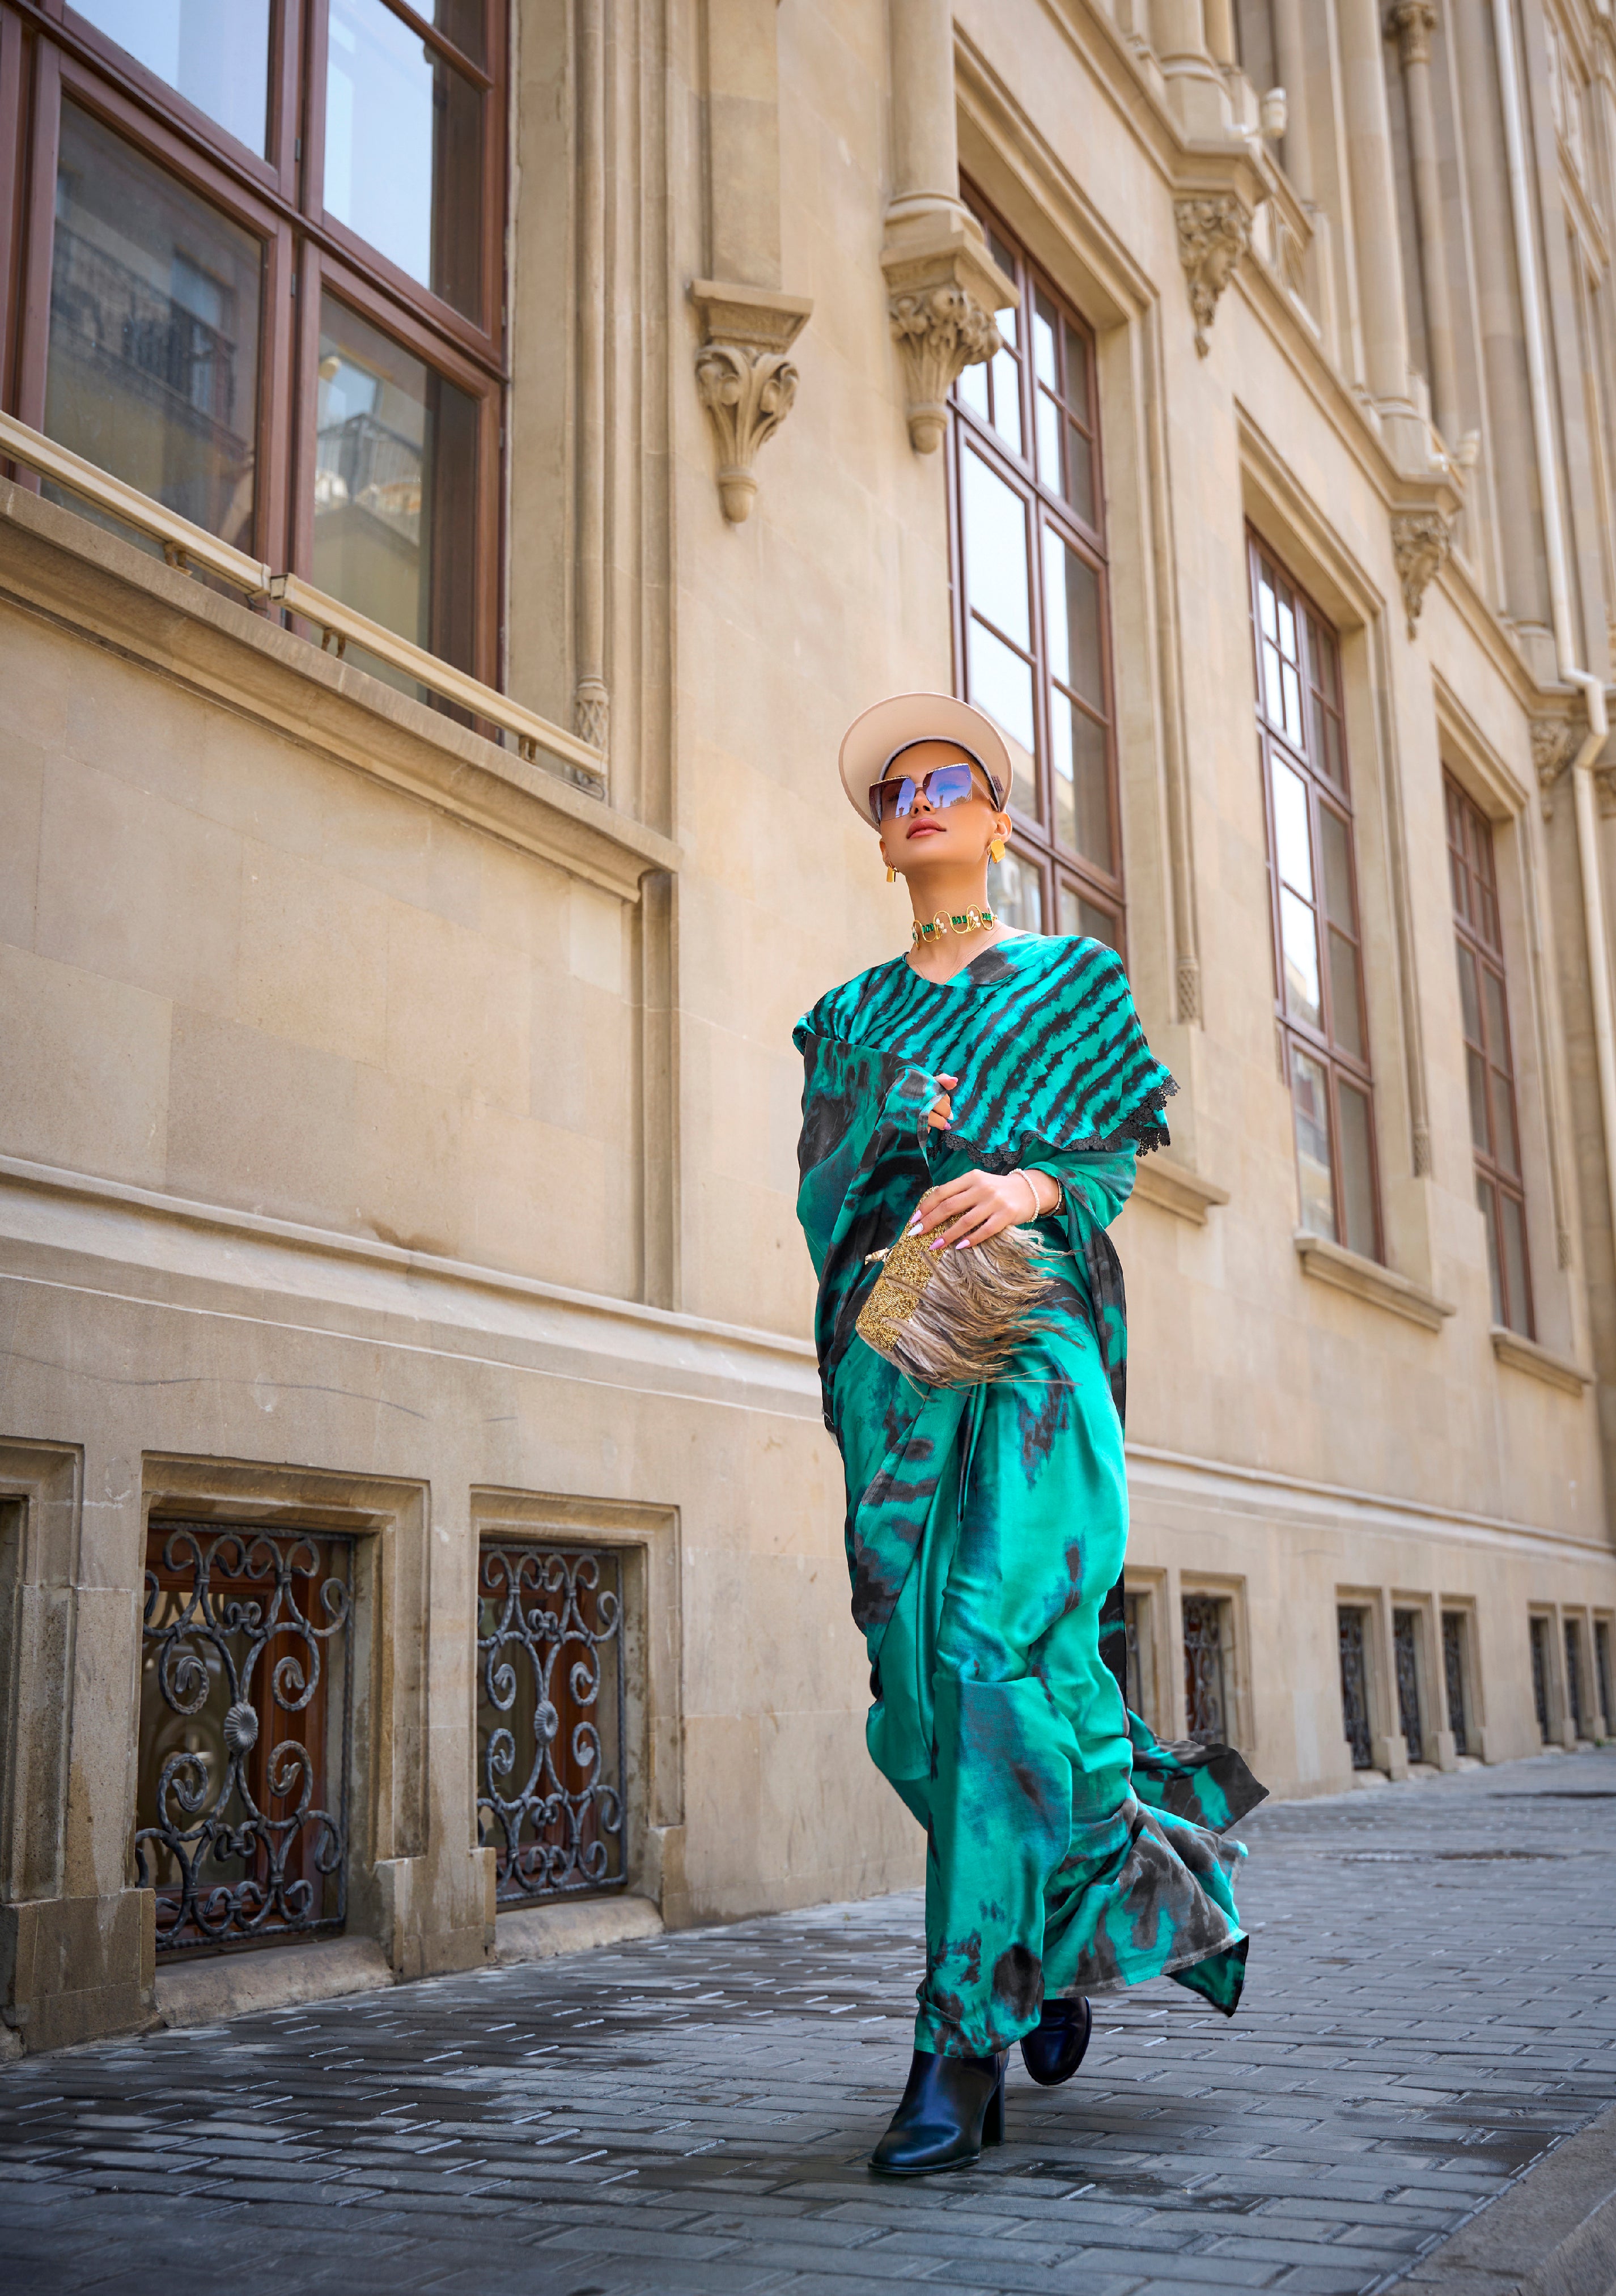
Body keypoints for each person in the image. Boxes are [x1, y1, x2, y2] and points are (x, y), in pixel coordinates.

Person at [793, 693, 1266, 2178]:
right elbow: (823, 1200)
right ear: (882, 839)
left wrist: (1021, 1185)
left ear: (997, 818)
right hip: (898, 1350)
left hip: (1039, 1342)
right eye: (894, 790)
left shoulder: (1070, 979)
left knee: (991, 1642)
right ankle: (1073, 1901)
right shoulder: (848, 1017)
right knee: (918, 1692)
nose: (918, 799)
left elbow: (1110, 1157)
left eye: (949, 781)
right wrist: (898, 1196)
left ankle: (957, 2038)